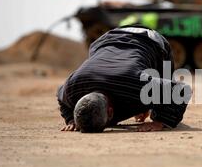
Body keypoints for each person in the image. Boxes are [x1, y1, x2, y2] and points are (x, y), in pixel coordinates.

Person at [56, 25, 191, 133]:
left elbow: (180, 90)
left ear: (110, 111)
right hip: (105, 40)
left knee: (164, 100)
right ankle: (146, 103)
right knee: (147, 93)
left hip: (150, 41)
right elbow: (60, 94)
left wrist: (160, 121)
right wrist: (71, 120)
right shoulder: (73, 88)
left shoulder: (133, 84)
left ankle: (150, 106)